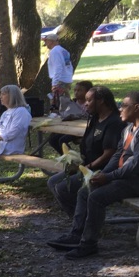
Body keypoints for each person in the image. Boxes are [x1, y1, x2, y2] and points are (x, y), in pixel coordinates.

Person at [48, 91, 139, 259]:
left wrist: (109, 177)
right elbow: (118, 155)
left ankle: (88, 244)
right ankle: (77, 234)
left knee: (96, 196)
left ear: (137, 107)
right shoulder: (129, 127)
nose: (120, 109)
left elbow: (136, 165)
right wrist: (102, 174)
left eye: (124, 105)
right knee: (85, 189)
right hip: (127, 177)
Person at [48, 85, 124, 217]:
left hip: (100, 169)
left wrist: (88, 167)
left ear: (101, 101)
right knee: (52, 182)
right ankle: (79, 218)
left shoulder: (114, 122)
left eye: (89, 101)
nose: (86, 104)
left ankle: (86, 219)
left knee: (62, 188)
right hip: (86, 164)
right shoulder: (95, 117)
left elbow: (109, 153)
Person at [47, 80, 93, 154]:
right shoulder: (73, 103)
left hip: (81, 130)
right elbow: (62, 112)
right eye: (75, 90)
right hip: (69, 127)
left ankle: (73, 158)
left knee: (62, 140)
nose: (76, 92)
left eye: (80, 90)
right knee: (52, 139)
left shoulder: (89, 105)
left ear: (88, 92)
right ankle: (67, 157)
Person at [45, 33, 74, 113]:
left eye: (46, 41)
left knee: (58, 102)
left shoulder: (54, 51)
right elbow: (69, 65)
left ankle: (60, 117)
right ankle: (66, 115)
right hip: (66, 79)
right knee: (65, 100)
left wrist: (55, 83)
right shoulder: (64, 50)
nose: (45, 43)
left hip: (60, 80)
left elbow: (58, 67)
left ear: (51, 41)